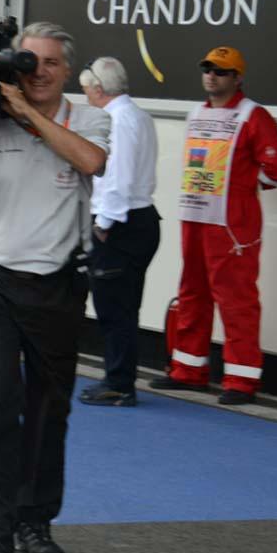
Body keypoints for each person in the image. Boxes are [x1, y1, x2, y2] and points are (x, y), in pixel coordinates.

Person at [0, 21, 109, 553]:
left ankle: (34, 520)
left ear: (68, 72)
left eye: (51, 63)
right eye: (29, 62)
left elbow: (92, 161)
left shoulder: (88, 119)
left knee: (48, 407)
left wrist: (25, 114)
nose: (38, 72)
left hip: (58, 284)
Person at [150, 47, 277, 405]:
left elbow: (275, 169)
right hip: (195, 216)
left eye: (221, 71)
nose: (211, 75)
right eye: (207, 69)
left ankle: (241, 380)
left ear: (238, 78)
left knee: (236, 300)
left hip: (232, 224)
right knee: (192, 292)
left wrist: (243, 188)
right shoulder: (196, 113)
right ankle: (188, 369)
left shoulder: (253, 115)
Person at [78, 57, 160, 407]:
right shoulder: (138, 115)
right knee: (124, 306)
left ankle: (119, 384)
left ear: (98, 88)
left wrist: (103, 224)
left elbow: (117, 177)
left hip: (120, 225)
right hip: (139, 220)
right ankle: (119, 379)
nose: (86, 96)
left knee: (114, 308)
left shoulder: (117, 119)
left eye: (86, 90)